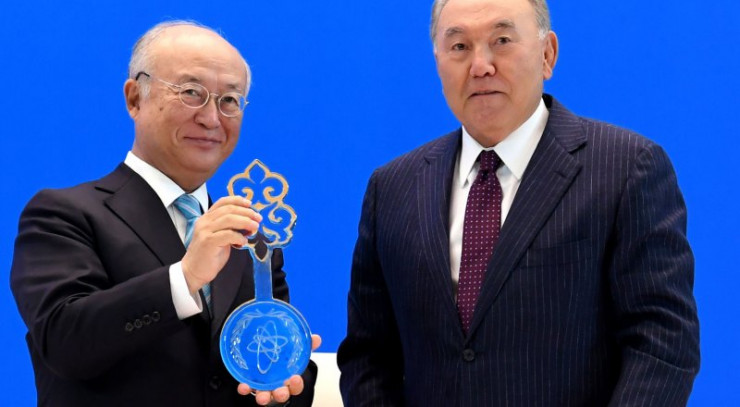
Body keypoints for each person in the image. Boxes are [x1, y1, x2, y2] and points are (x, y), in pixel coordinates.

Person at [337, 0, 700, 405]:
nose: (480, 66)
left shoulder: (626, 169)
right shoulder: (392, 188)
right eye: (459, 47)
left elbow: (662, 343)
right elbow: (368, 356)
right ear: (437, 61)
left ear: (547, 54)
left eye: (502, 41)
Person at [10, 21, 319, 407]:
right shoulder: (63, 215)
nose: (212, 118)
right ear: (134, 98)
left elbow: (277, 362)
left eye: (229, 100)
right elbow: (64, 342)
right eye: (191, 93)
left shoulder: (248, 237)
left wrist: (279, 387)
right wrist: (185, 278)